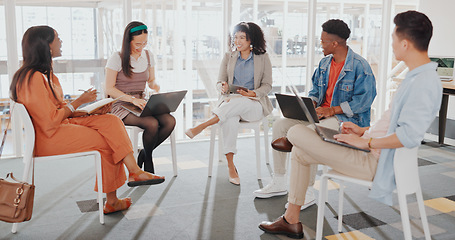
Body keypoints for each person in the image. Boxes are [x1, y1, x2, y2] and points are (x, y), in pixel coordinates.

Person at [258, 10, 442, 239]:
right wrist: (363, 131)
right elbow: (395, 126)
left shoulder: (422, 83)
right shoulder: (415, 78)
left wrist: (366, 142)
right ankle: (291, 221)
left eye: (393, 38)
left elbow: (409, 136)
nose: (391, 44)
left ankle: (292, 148)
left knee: (296, 132)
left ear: (405, 43)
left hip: (373, 161)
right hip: (369, 147)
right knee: (300, 154)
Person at [10, 26, 166, 215]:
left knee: (110, 120)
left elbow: (57, 110)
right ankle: (113, 200)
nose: (61, 42)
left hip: (60, 126)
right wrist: (78, 103)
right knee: (109, 143)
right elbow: (49, 122)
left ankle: (134, 171)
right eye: (57, 38)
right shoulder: (33, 78)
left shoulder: (43, 74)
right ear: (46, 46)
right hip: (48, 137)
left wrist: (88, 111)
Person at [254, 19, 377, 210]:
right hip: (321, 115)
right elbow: (315, 92)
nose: (320, 45)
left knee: (308, 134)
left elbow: (364, 101)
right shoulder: (324, 63)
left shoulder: (360, 66)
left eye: (323, 41)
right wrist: (310, 102)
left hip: (345, 120)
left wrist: (333, 110)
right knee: (280, 124)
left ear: (335, 44)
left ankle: (308, 191)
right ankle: (278, 181)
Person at [185, 22, 273, 185]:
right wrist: (223, 87)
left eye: (242, 38)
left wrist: (253, 93)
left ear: (251, 39)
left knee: (238, 105)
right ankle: (231, 167)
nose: (237, 41)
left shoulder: (262, 57)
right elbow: (219, 82)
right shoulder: (229, 57)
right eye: (235, 37)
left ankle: (203, 125)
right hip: (231, 101)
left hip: (254, 104)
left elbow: (267, 85)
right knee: (230, 118)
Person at [105, 21, 175, 174]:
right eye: (138, 43)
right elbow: (109, 88)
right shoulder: (117, 58)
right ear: (128, 40)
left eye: (145, 42)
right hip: (120, 104)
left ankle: (144, 153)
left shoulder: (148, 56)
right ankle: (148, 160)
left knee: (170, 121)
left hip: (141, 102)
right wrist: (132, 100)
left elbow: (151, 81)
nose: (141, 46)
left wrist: (155, 86)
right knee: (151, 123)